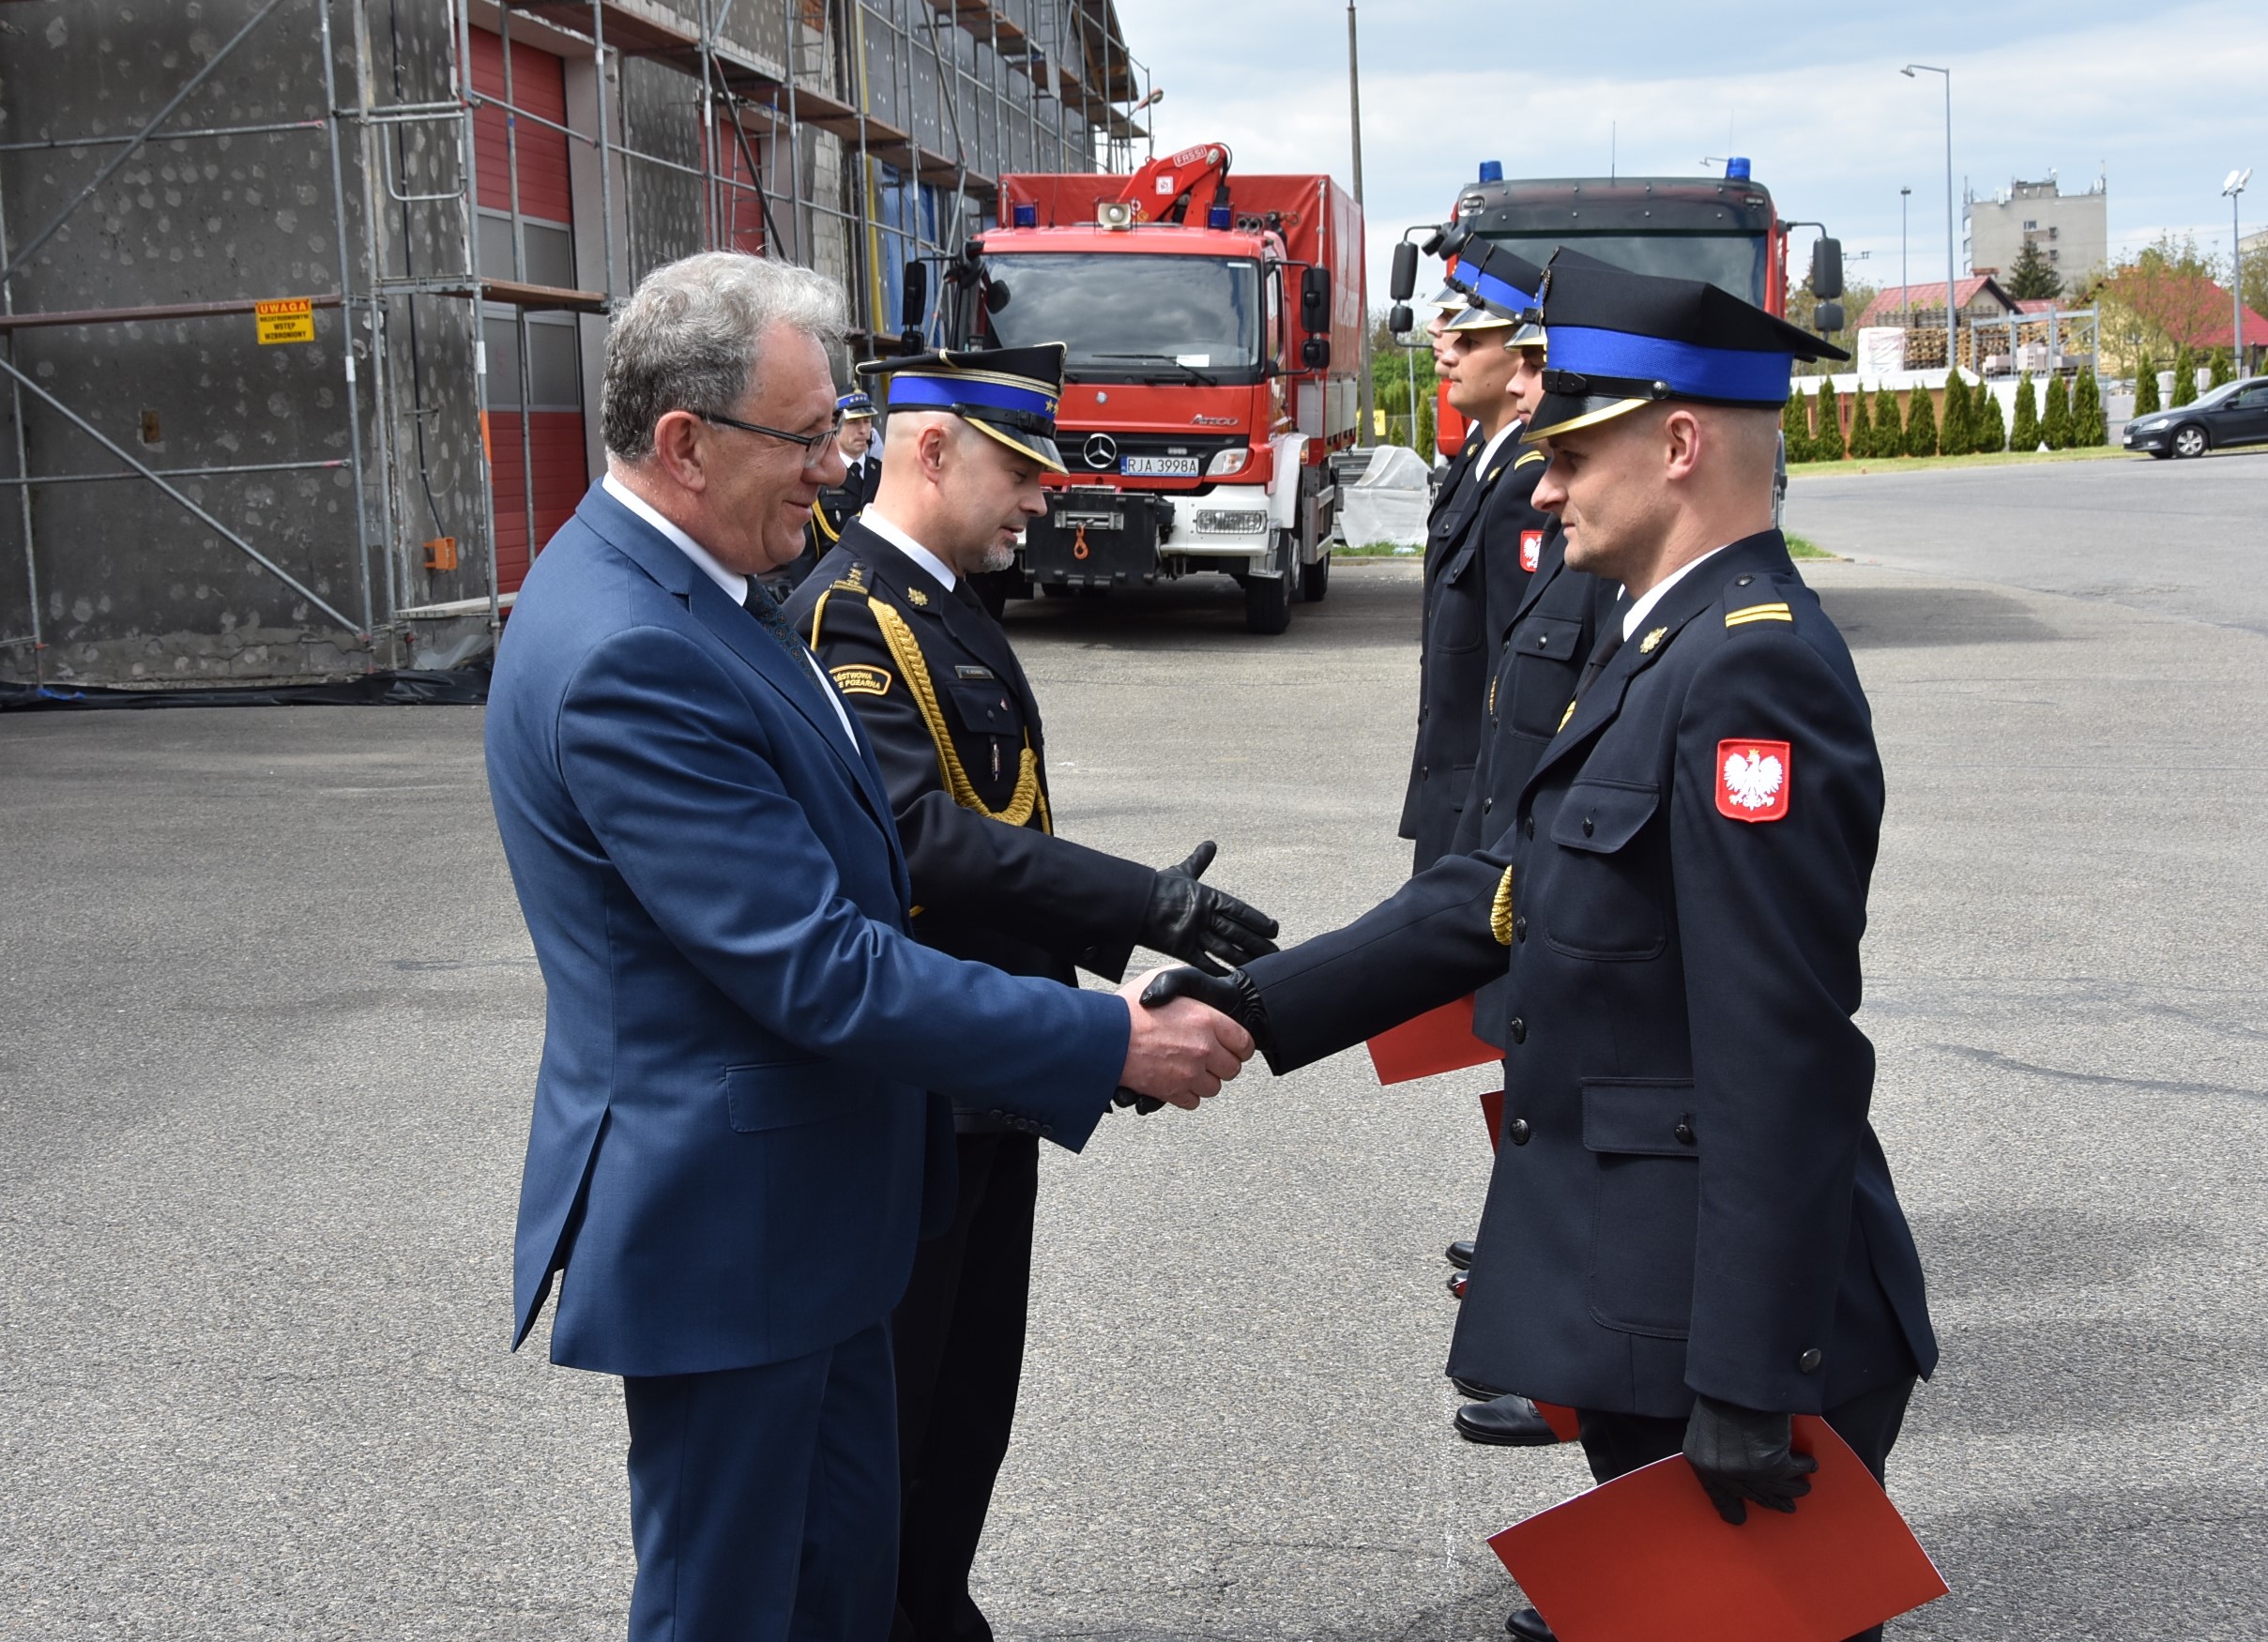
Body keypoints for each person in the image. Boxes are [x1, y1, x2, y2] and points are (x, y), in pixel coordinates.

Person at [1153, 257, 1937, 1642]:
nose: (1546, 486)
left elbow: (1779, 1046)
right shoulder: (1661, 641)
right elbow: (1500, 890)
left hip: (1720, 1323)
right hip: (1644, 1289)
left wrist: (1751, 1369)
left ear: (1678, 444)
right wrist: (1256, 1004)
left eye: (1573, 455)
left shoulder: (1749, 667)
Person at [482, 251, 1256, 1642]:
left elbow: (871, 858)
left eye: (837, 428)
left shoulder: (706, 589)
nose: (838, 466)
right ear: (683, 441)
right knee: (737, 1607)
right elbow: (817, 962)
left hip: (811, 1213)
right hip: (735, 1232)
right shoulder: (630, 648)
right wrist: (1106, 1038)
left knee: (843, 1588)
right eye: (806, 435)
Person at [782, 342, 1282, 1642]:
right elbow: (917, 835)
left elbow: (997, 826)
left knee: (968, 1403)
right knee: (903, 1407)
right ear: (929, 448)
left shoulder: (940, 601)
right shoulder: (849, 615)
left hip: (997, 1074)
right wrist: (1134, 904)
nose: (1039, 495)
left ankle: (935, 1609)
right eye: (1017, 468)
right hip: (926, 1079)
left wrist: (1091, 1022)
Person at [1397, 241, 1557, 873]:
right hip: (1453, 787)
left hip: (1481, 802)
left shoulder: (1525, 480)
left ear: (1520, 353)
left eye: (1468, 340)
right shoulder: (1476, 459)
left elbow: (1513, 678)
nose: (1443, 347)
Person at [774, 388, 880, 593]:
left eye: (867, 421)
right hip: (833, 587)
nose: (862, 430)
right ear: (835, 426)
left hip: (881, 586)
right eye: (853, 423)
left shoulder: (884, 474)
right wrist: (807, 598)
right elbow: (805, 552)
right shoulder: (819, 478)